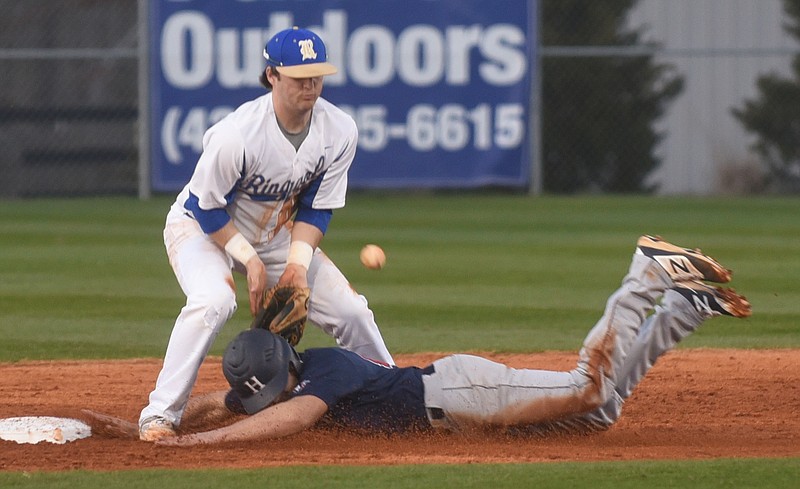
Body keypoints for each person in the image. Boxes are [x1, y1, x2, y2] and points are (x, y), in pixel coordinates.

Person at [155, 235, 752, 446]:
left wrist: (204, 448)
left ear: (288, 368)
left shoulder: (326, 372)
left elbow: (287, 420)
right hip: (456, 408)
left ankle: (646, 275)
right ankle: (683, 308)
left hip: (460, 391)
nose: (267, 402)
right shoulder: (281, 381)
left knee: (588, 387)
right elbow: (232, 402)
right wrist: (169, 419)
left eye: (268, 394)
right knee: (599, 414)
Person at [138, 27, 394, 441]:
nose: (310, 86)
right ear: (272, 75)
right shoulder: (236, 135)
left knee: (352, 312)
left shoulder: (339, 130)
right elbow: (206, 205)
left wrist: (295, 265)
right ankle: (159, 415)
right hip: (202, 228)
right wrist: (249, 259)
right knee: (214, 301)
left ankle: (394, 393)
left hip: (276, 233)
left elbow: (317, 207)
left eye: (317, 76)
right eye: (299, 77)